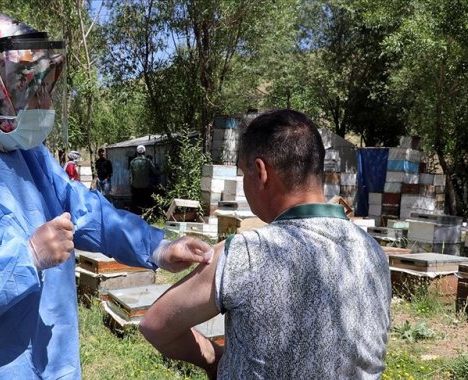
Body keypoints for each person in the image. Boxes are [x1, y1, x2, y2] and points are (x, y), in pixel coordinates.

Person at [0, 10, 212, 380]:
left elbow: (84, 210)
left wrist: (158, 247)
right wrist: (26, 257)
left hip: (48, 365)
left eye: (45, 86)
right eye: (29, 87)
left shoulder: (27, 155)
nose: (44, 102)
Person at [140, 110, 391, 379]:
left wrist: (213, 359)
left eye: (242, 174)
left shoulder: (246, 253)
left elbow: (155, 324)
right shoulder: (373, 252)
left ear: (260, 172)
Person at [129, 144, 159, 214]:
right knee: (146, 203)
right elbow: (155, 172)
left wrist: (131, 186)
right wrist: (164, 170)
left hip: (135, 187)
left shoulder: (132, 162)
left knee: (136, 204)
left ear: (137, 152)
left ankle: (136, 217)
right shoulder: (148, 161)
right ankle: (146, 216)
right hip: (146, 186)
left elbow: (130, 176)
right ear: (144, 152)